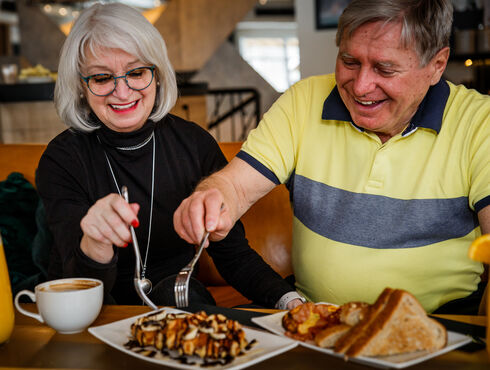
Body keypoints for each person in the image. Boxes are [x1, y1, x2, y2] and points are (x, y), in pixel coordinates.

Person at [174, 0, 490, 314]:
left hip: (442, 328)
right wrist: (210, 198)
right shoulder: (303, 101)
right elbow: (236, 188)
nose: (362, 87)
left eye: (385, 68)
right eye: (349, 61)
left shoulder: (479, 123)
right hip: (315, 321)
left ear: (436, 65)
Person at [36, 2, 302, 309]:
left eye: (136, 73)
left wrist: (291, 302)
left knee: (182, 296)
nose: (122, 92)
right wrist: (95, 242)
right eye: (101, 78)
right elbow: (75, 290)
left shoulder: (194, 144)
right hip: (92, 312)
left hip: (177, 305)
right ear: (81, 87)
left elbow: (233, 254)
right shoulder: (61, 159)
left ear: (158, 75)